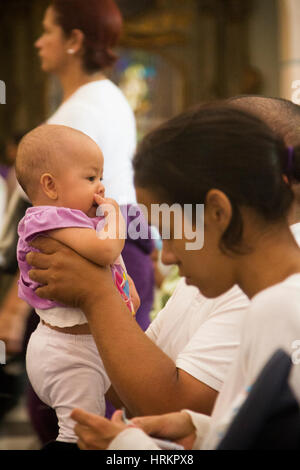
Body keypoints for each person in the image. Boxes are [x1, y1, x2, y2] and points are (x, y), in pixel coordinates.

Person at [26, 103, 300, 450]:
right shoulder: (267, 298)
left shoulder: (280, 305)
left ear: (218, 212)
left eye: (169, 232)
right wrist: (200, 431)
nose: (167, 256)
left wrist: (125, 448)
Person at [15, 124, 137, 447]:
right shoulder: (46, 220)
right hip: (67, 353)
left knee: (101, 426)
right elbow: (107, 250)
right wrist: (115, 215)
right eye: (90, 178)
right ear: (50, 186)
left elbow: (110, 266)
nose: (101, 186)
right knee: (81, 437)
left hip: (86, 346)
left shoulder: (76, 220)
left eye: (101, 177)